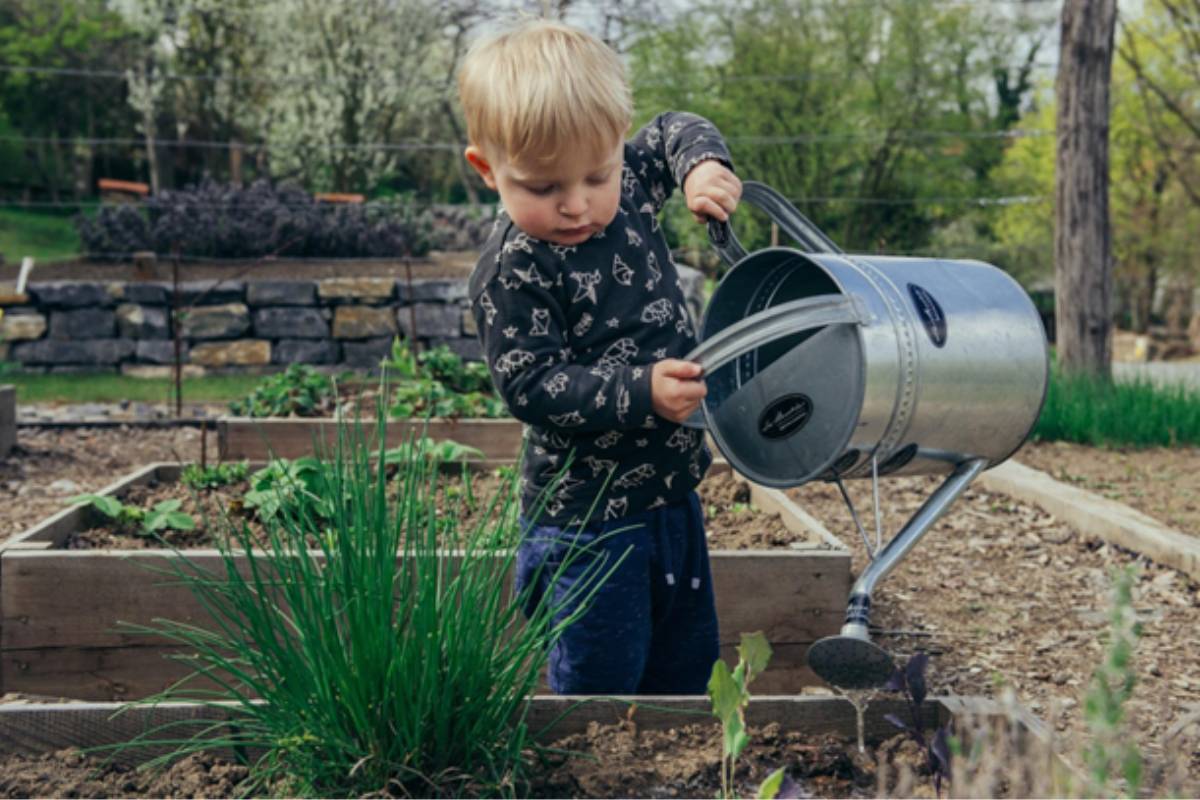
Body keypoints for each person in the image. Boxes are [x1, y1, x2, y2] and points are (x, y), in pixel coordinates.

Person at [458, 18, 741, 694]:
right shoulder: (514, 269)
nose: (577, 204)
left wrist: (703, 166)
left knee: (684, 663)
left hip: (673, 495)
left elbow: (675, 127)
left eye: (596, 174)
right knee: (602, 681)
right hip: (587, 522)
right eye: (542, 187)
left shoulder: (635, 183)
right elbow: (531, 385)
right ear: (486, 170)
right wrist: (640, 392)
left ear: (617, 145)